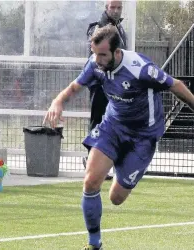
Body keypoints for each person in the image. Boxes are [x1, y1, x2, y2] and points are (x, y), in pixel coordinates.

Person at [44, 25, 194, 250]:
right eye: (94, 53)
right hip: (112, 127)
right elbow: (75, 87)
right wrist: (58, 101)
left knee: (116, 198)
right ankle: (94, 244)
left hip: (143, 137)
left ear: (116, 52)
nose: (97, 59)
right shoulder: (95, 65)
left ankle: (123, 165)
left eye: (102, 54)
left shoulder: (140, 68)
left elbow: (176, 85)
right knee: (90, 182)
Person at [84, 0, 128, 178]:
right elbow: (95, 57)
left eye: (119, 8)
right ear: (106, 8)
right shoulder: (99, 28)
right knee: (98, 120)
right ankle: (91, 161)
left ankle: (108, 162)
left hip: (116, 83)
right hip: (101, 82)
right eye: (113, 7)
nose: (116, 11)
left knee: (114, 122)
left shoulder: (120, 28)